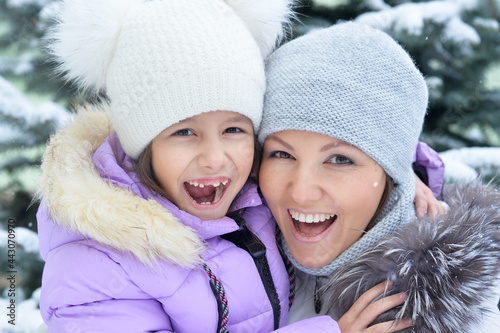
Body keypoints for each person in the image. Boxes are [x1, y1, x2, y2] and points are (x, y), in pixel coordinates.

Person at [36, 0, 304, 331]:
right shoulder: (96, 264)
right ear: (142, 145)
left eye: (233, 129)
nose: (215, 158)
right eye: (185, 132)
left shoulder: (261, 208)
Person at [258, 22, 500, 332]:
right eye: (282, 154)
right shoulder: (236, 249)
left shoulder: (454, 317)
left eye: (340, 159)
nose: (301, 192)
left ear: (394, 171)